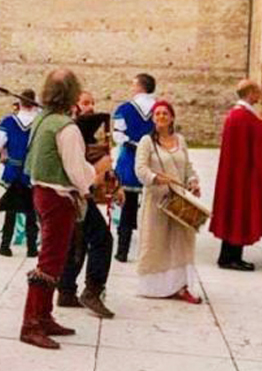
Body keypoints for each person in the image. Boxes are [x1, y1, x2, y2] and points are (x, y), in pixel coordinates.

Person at [20, 69, 111, 350]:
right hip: (57, 197)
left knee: (56, 259)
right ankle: (31, 324)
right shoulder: (66, 127)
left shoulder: (42, 120)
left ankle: (44, 316)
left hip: (42, 194)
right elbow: (76, 170)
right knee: (50, 261)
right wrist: (96, 175)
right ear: (72, 94)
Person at [210, 80, 262, 271]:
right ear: (251, 92)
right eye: (258, 92)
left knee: (235, 214)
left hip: (237, 174)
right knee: (238, 213)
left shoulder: (239, 114)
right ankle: (230, 259)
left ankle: (230, 256)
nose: (260, 96)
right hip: (241, 176)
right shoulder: (242, 116)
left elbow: (258, 127)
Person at [134, 100, 202, 304]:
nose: (161, 117)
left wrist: (193, 181)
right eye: (157, 114)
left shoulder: (180, 140)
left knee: (181, 243)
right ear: (153, 119)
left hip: (179, 201)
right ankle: (156, 287)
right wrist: (156, 178)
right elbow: (140, 169)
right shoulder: (146, 141)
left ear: (172, 117)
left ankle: (181, 286)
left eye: (165, 113)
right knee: (156, 243)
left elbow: (187, 167)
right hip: (157, 201)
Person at [57, 90, 117, 319]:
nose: (90, 107)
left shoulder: (84, 133)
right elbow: (77, 171)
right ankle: (92, 291)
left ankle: (66, 291)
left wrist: (114, 184)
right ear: (75, 106)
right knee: (102, 239)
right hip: (76, 195)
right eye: (85, 103)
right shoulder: (73, 130)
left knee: (77, 241)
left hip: (80, 195)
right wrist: (96, 177)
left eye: (92, 102)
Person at [0, 89, 40, 257]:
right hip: (32, 171)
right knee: (31, 210)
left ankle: (5, 246)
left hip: (13, 170)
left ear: (19, 103)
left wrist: (4, 151)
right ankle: (32, 248)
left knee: (11, 210)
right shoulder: (40, 121)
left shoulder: (9, 121)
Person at [112, 73, 157, 262]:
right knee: (153, 208)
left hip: (130, 160)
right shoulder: (160, 109)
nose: (131, 87)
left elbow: (118, 136)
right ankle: (153, 253)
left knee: (128, 207)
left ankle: (122, 251)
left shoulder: (125, 108)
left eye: (133, 84)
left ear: (140, 86)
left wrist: (135, 145)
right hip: (154, 160)